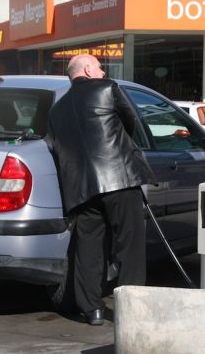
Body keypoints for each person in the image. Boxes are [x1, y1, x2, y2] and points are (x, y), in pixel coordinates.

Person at [45, 54, 156, 326]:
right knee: (129, 246)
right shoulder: (108, 88)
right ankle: (131, 309)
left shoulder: (56, 110)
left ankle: (92, 310)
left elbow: (54, 146)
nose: (103, 70)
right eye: (99, 66)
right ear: (87, 69)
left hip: (82, 189)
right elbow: (130, 122)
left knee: (88, 248)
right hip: (119, 177)